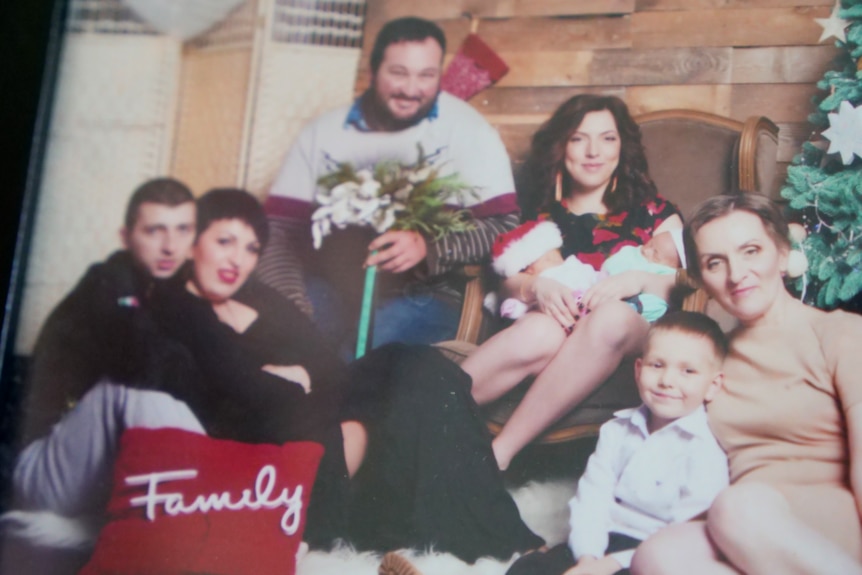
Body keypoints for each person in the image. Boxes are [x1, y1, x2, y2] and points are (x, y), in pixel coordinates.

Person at [8, 189, 541, 571]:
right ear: (193, 245)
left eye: (249, 250)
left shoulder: (255, 299)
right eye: (223, 242)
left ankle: (497, 539)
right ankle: (344, 528)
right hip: (242, 448)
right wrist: (294, 383)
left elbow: (328, 368)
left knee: (411, 364)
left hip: (296, 426)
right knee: (313, 404)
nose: (236, 260)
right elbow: (238, 391)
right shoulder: (173, 304)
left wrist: (299, 378)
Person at [630, 193, 862, 575]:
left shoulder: (839, 333)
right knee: (658, 556)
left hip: (827, 531)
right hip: (747, 538)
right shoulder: (708, 363)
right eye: (715, 262)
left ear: (783, 255)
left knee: (736, 507)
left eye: (751, 251)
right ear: (703, 278)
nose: (737, 275)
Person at [258, 16, 519, 353]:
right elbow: (277, 230)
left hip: (424, 297)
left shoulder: (472, 132)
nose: (412, 89)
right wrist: (294, 308)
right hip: (329, 285)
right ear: (373, 73)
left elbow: (504, 227)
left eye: (426, 76)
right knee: (285, 347)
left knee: (358, 361)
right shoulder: (324, 133)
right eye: (399, 73)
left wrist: (429, 247)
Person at [461, 94, 683, 471]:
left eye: (607, 138)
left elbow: (683, 284)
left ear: (622, 146)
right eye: (580, 138)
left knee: (609, 317)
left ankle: (503, 448)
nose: (594, 151)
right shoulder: (535, 212)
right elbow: (501, 286)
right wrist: (536, 288)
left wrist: (636, 279)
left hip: (630, 324)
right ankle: (426, 422)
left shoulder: (655, 212)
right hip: (553, 321)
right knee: (541, 332)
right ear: (562, 146)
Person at [506, 311, 729, 575]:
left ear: (713, 386)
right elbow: (593, 498)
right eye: (657, 365)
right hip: (600, 540)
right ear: (638, 370)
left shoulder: (704, 453)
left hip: (652, 557)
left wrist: (613, 564)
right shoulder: (616, 431)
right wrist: (588, 558)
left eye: (688, 371)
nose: (667, 381)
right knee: (529, 569)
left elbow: (687, 537)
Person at [18, 177, 196, 445]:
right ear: (126, 237)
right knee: (136, 396)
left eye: (183, 230)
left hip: (96, 446)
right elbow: (141, 367)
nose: (170, 246)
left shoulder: (171, 288)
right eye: (154, 231)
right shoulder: (106, 281)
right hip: (44, 448)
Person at [491, 220, 685, 322]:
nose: (645, 250)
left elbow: (685, 278)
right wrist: (535, 285)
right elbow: (506, 278)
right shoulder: (541, 211)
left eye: (655, 253)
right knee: (539, 328)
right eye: (648, 244)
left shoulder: (656, 214)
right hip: (546, 306)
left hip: (611, 322)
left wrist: (640, 278)